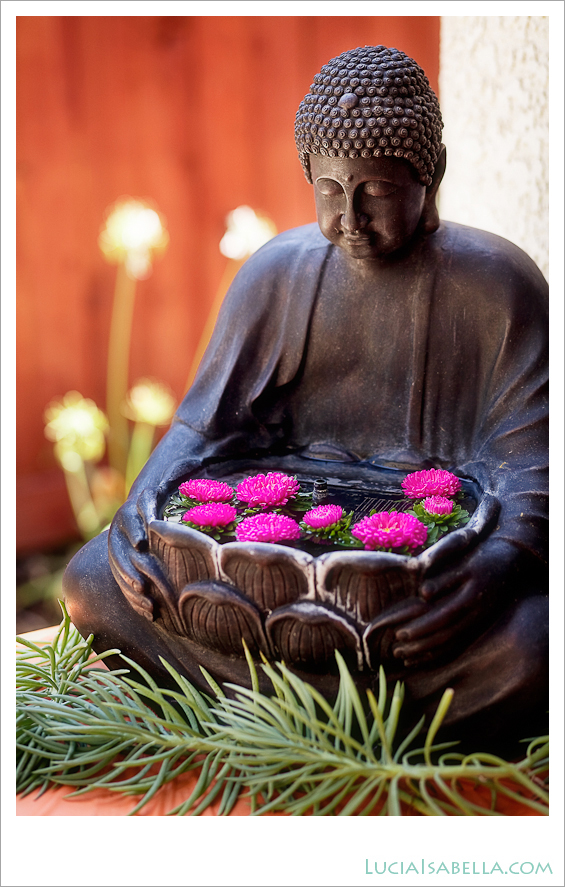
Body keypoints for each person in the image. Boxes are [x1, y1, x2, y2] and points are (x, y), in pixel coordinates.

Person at [64, 46, 548, 749]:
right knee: (91, 583)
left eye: (375, 190)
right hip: (262, 573)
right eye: (329, 189)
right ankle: (345, 725)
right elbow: (202, 427)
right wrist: (139, 514)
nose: (349, 216)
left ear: (429, 176)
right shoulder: (276, 275)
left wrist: (489, 569)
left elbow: (530, 465)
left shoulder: (496, 287)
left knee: (531, 650)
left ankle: (277, 716)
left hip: (419, 591)